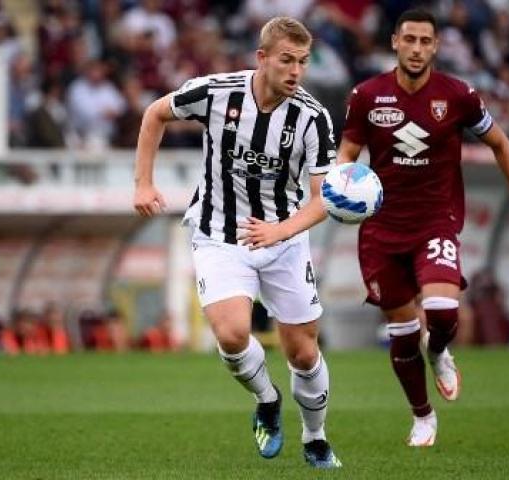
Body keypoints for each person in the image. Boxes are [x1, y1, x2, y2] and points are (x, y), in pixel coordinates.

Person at [133, 17, 341, 469]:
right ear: (262, 58)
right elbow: (155, 114)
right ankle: (267, 400)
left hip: (284, 239)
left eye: (303, 62)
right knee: (231, 333)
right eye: (286, 60)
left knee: (303, 352)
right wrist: (143, 184)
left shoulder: (313, 118)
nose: (295, 71)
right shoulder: (215, 92)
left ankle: (315, 436)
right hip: (219, 233)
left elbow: (323, 199)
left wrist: (280, 231)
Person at [337, 9, 509, 447]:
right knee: (402, 332)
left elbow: (501, 145)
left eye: (424, 41)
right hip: (379, 230)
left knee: (443, 314)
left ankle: (439, 351)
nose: (416, 49)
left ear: (435, 46)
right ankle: (422, 416)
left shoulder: (458, 95)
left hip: (435, 221)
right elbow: (347, 154)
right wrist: (342, 189)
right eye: (408, 39)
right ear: (395, 41)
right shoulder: (367, 96)